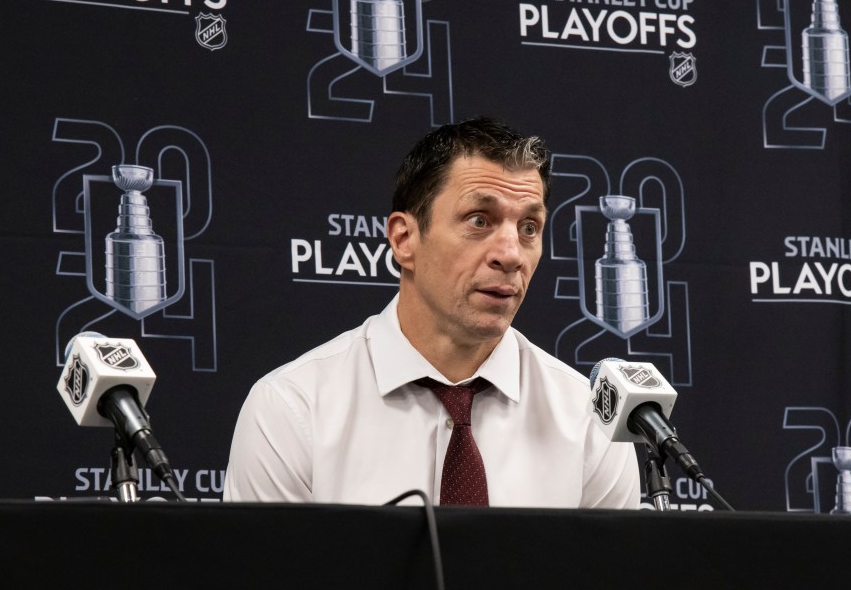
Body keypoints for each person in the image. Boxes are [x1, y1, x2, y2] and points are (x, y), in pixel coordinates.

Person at [223, 118, 640, 508]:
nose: (512, 254)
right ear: (405, 239)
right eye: (479, 220)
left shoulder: (587, 419)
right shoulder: (293, 409)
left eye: (529, 228)